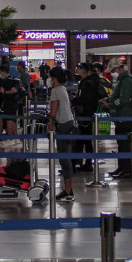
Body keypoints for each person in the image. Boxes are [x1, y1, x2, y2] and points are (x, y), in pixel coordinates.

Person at [100, 64, 132, 178]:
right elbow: (117, 95)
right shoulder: (121, 80)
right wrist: (108, 99)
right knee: (121, 144)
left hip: (125, 116)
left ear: (119, 69)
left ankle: (127, 169)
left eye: (114, 71)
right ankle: (122, 167)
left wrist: (110, 105)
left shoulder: (127, 81)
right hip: (120, 116)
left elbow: (124, 99)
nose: (112, 74)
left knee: (125, 145)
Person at [48, 66, 77, 202]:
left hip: (63, 127)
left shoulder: (55, 91)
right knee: (66, 159)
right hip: (70, 124)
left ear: (54, 78)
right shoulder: (63, 89)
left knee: (64, 160)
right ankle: (68, 190)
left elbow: (53, 113)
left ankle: (68, 192)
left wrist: (48, 117)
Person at [71, 62, 100, 172]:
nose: (78, 71)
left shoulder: (87, 83)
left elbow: (85, 99)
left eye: (79, 69)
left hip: (84, 114)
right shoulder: (89, 82)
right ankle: (85, 162)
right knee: (85, 140)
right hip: (87, 113)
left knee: (81, 139)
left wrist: (75, 100)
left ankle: (77, 163)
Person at [0, 65, 20, 147]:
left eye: (0, 73)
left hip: (10, 103)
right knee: (12, 120)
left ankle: (10, 138)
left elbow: (14, 90)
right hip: (13, 102)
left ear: (3, 72)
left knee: (9, 120)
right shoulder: (11, 79)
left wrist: (4, 91)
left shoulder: (8, 81)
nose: (0, 75)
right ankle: (16, 138)